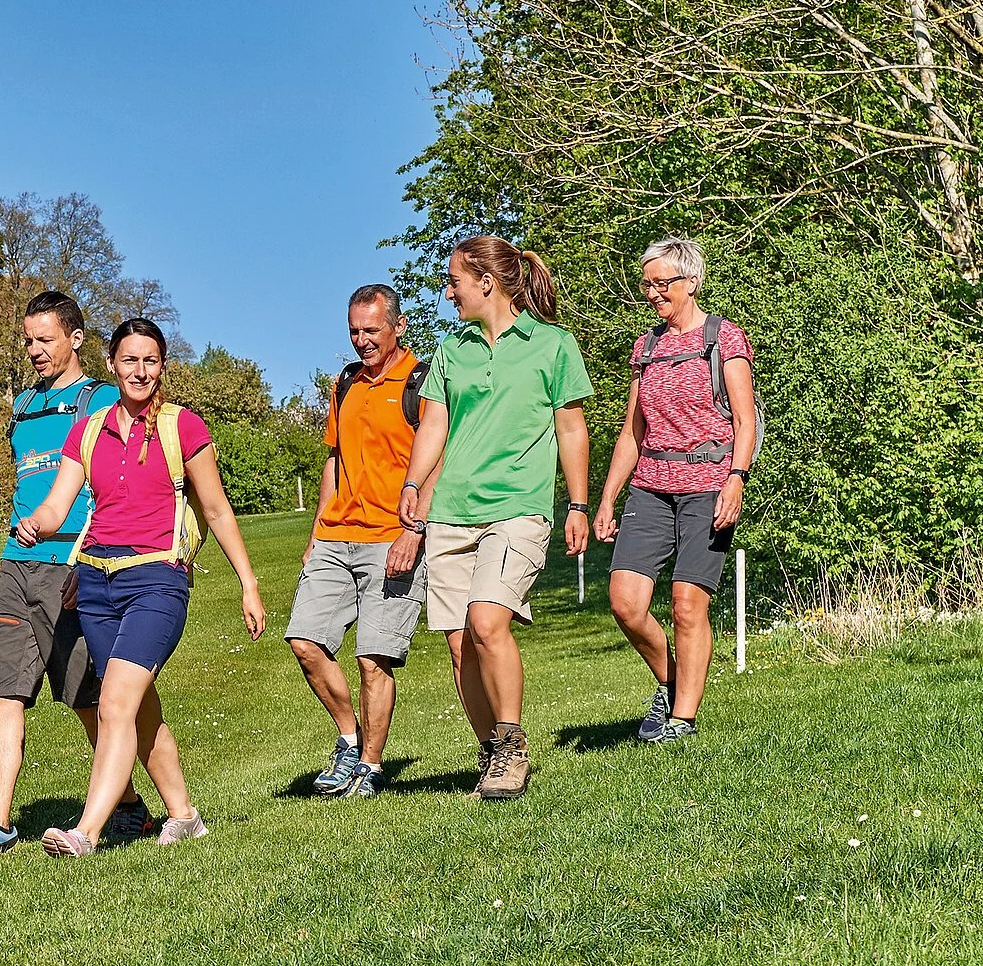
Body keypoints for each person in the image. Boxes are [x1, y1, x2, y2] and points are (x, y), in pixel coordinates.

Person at [14, 317, 266, 855]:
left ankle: (86, 832)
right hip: (97, 583)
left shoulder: (185, 428)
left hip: (158, 580)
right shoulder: (89, 429)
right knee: (138, 703)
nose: (140, 371)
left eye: (151, 361)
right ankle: (185, 815)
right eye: (130, 360)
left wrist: (248, 582)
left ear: (163, 367)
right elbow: (61, 503)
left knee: (114, 703)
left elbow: (218, 510)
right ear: (113, 365)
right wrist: (37, 523)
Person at [0, 290, 159, 857]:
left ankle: (131, 808)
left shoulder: (105, 402)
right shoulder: (22, 406)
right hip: (17, 566)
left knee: (91, 698)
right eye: (29, 341)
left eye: (46, 340)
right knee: (2, 694)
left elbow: (114, 491)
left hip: (75, 569)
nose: (35, 351)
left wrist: (82, 563)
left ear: (75, 338)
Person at [395, 236, 594, 802]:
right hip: (453, 510)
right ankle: (492, 756)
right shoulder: (451, 349)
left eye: (455, 279)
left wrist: (577, 504)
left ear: (487, 281)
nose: (448, 290)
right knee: (460, 644)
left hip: (518, 508)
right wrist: (414, 485)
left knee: (487, 622)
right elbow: (433, 425)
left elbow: (572, 429)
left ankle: (512, 747)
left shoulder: (552, 346)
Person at [593, 237, 757, 743]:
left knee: (688, 603)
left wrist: (737, 478)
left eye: (662, 283)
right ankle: (670, 682)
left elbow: (746, 422)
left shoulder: (723, 339)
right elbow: (632, 431)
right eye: (647, 284)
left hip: (709, 484)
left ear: (691, 282)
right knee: (626, 603)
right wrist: (606, 498)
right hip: (650, 485)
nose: (652, 293)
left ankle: (682, 719)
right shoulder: (646, 347)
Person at [287, 285, 429, 799]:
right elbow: (334, 460)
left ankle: (369, 768)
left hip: (393, 536)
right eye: (354, 331)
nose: (362, 340)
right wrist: (316, 530)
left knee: (374, 658)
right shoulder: (344, 384)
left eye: (372, 329)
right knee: (305, 642)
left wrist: (414, 530)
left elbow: (434, 462)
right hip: (336, 534)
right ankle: (350, 738)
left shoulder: (422, 381)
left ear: (399, 326)